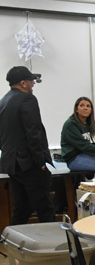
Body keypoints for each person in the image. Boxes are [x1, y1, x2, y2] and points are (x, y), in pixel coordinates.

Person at [0, 66, 55, 224]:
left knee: (21, 207)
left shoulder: (3, 101)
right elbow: (33, 132)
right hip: (29, 163)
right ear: (23, 83)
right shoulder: (28, 99)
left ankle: (14, 239)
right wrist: (40, 162)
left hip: (12, 164)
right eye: (31, 81)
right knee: (45, 207)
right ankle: (51, 238)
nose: (33, 84)